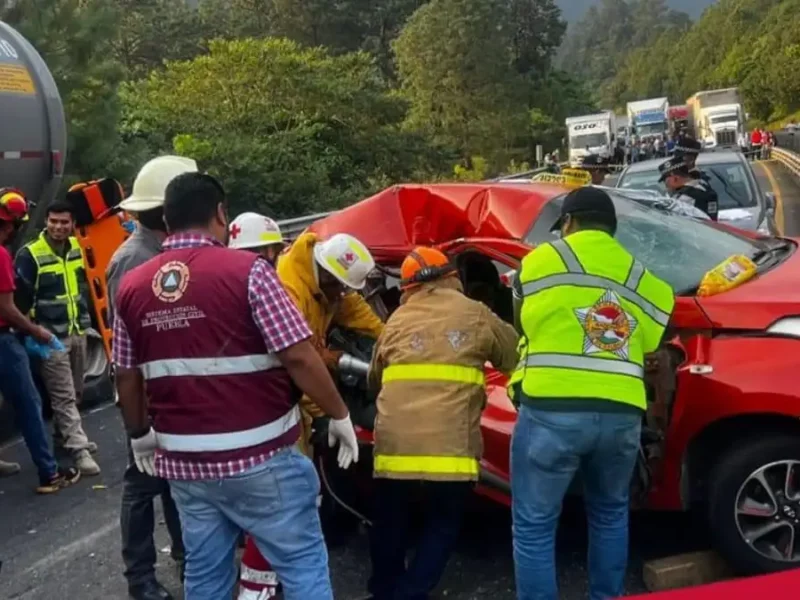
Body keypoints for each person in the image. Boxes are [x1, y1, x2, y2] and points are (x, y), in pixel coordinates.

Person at [113, 172, 358, 600]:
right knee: (301, 561)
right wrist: (339, 413)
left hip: (187, 467)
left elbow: (126, 374)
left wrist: (140, 434)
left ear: (166, 220)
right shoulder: (250, 273)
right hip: (261, 458)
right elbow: (299, 356)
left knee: (206, 575)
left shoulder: (132, 287)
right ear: (221, 214)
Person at [510, 187, 675, 600]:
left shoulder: (539, 261)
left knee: (534, 524)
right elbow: (655, 339)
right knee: (609, 513)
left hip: (551, 409)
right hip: (621, 414)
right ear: (612, 230)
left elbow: (522, 323)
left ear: (568, 223)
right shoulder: (644, 278)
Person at [237, 227, 384, 599]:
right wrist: (326, 414)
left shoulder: (328, 282)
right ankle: (282, 564)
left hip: (303, 386)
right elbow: (298, 360)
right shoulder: (290, 288)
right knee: (291, 486)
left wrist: (389, 341)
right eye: (339, 287)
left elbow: (358, 313)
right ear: (326, 274)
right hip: (286, 394)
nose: (341, 295)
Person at [366, 246, 519, 600]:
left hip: (395, 452)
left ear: (406, 289)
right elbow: (512, 355)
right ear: (451, 277)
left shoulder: (395, 323)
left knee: (390, 522)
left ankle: (384, 590)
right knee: (443, 523)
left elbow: (374, 380)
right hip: (451, 453)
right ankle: (411, 592)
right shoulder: (476, 314)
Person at [107, 156, 196, 600]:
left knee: (175, 479)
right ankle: (140, 579)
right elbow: (130, 347)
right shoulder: (134, 260)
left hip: (164, 388)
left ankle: (188, 556)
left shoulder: (158, 252)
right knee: (142, 484)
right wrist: (140, 422)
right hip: (143, 391)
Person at [0, 188, 82, 492]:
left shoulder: (74, 248)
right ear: (11, 226)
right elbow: (7, 308)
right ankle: (50, 474)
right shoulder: (5, 255)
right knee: (29, 404)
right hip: (5, 342)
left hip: (67, 326)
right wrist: (37, 331)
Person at [227, 210, 289, 600]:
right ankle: (257, 589)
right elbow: (294, 356)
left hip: (222, 424)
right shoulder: (264, 287)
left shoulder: (215, 287)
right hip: (261, 422)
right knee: (270, 513)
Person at [15, 199, 100, 476]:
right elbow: (20, 301)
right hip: (49, 337)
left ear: (73, 224)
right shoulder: (31, 255)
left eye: (64, 222)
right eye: (53, 221)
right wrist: (31, 333)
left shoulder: (78, 248)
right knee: (63, 396)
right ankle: (79, 451)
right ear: (46, 221)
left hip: (77, 331)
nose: (58, 227)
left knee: (75, 392)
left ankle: (62, 439)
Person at [659, 155, 719, 221]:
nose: (665, 184)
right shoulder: (703, 185)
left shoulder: (686, 197)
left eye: (665, 180)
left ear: (674, 178)